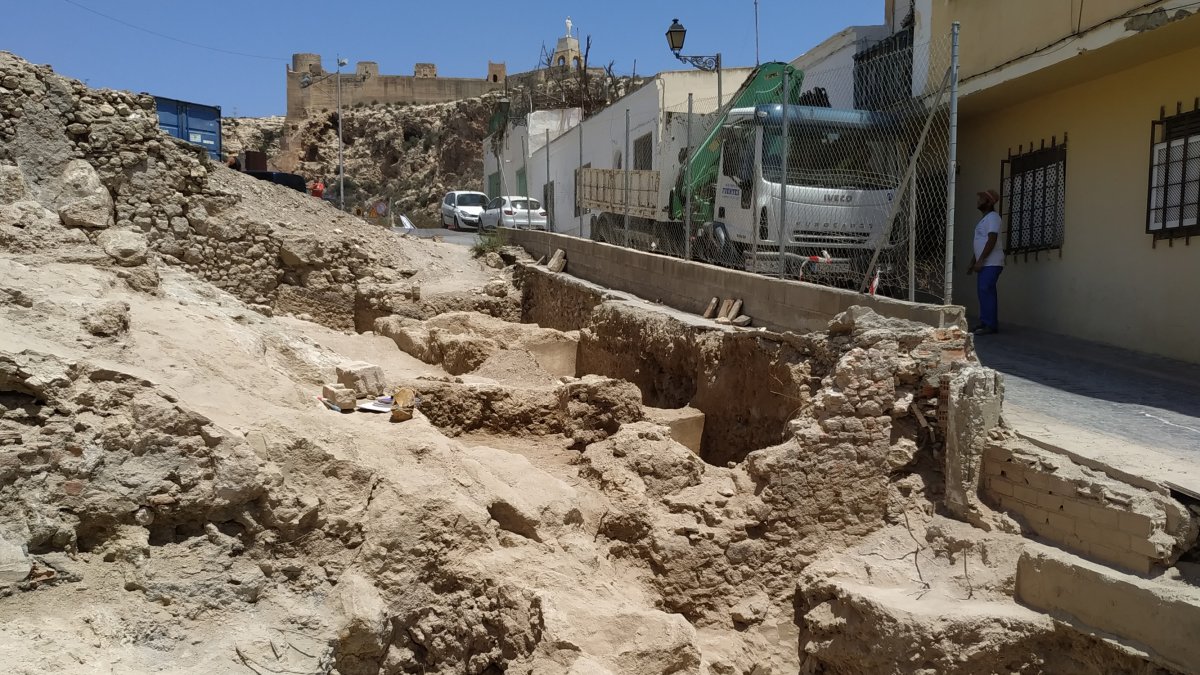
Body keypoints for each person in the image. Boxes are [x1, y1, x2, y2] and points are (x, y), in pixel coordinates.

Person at [967, 188, 1004, 335]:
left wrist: (981, 260)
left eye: (981, 198)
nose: (978, 201)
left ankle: (990, 325)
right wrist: (973, 261)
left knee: (986, 290)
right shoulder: (986, 219)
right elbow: (980, 242)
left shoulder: (993, 217)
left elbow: (992, 239)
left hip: (991, 262)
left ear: (988, 202)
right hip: (985, 263)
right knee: (983, 292)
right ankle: (985, 322)